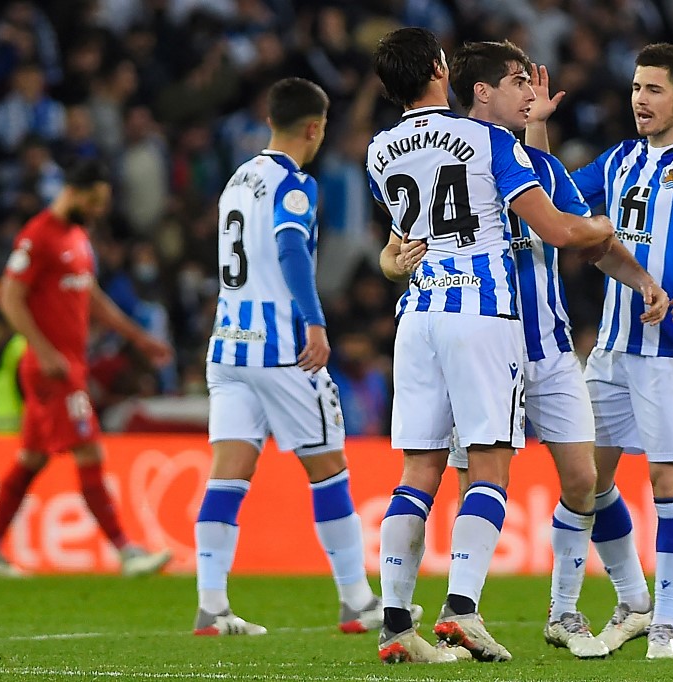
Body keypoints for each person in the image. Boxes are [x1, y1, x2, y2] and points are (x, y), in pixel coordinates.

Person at [369, 27, 615, 664]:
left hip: (417, 314)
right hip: (482, 312)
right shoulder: (487, 140)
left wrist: (393, 265)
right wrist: (605, 225)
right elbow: (557, 230)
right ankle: (461, 611)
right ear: (437, 69)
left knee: (417, 473)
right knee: (490, 465)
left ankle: (396, 626)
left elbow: (402, 247)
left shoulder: (379, 152)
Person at [442, 40, 669, 659]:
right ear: (484, 92)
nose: (528, 90)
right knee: (477, 483)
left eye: (528, 82)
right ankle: (464, 614)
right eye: (516, 81)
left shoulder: (537, 166)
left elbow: (593, 247)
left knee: (583, 478)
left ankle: (567, 613)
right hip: (484, 343)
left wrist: (644, 280)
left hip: (548, 348)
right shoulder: (453, 164)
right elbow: (577, 231)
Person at [529, 43, 673, 659]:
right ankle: (625, 601)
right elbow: (554, 197)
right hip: (613, 348)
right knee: (588, 481)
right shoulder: (621, 158)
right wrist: (540, 123)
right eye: (634, 88)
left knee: (667, 479)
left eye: (653, 90)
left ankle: (665, 630)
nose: (639, 100)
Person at [194, 77, 412, 638]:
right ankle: (357, 601)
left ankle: (212, 607)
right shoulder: (295, 184)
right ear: (314, 127)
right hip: (280, 349)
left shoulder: (237, 180)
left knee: (228, 475)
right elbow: (291, 247)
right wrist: (315, 320)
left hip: (227, 347)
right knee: (329, 469)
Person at [0, 159, 174, 578]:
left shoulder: (78, 237)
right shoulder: (38, 236)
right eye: (95, 202)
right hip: (53, 371)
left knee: (30, 459)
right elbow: (10, 297)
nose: (100, 211)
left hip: (68, 367)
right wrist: (42, 350)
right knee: (90, 451)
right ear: (75, 192)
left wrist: (138, 338)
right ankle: (126, 551)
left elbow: (92, 297)